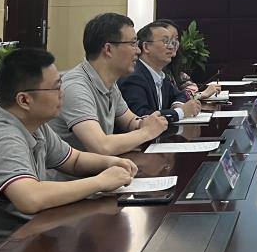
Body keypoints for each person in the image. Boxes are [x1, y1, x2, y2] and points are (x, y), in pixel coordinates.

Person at [0, 47, 138, 252]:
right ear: (24, 100)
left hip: (22, 246)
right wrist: (100, 182)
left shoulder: (35, 126)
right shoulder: (2, 138)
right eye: (56, 88)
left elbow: (73, 160)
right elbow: (31, 198)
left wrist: (112, 162)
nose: (62, 94)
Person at [51, 12, 169, 153]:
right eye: (132, 43)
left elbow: (130, 121)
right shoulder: (75, 87)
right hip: (76, 168)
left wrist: (145, 122)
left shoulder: (110, 83)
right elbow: (101, 146)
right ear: (108, 49)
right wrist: (147, 132)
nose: (138, 50)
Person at [120, 19, 220, 120]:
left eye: (173, 42)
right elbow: (140, 116)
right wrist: (181, 112)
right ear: (146, 47)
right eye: (166, 42)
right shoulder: (134, 76)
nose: (172, 47)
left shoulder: (160, 75)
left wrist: (177, 104)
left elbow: (180, 94)